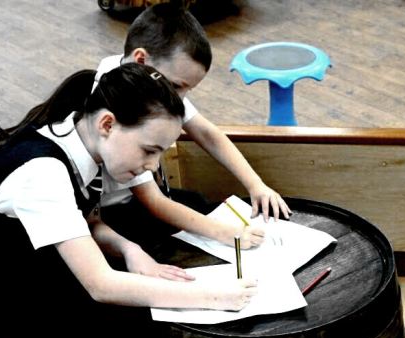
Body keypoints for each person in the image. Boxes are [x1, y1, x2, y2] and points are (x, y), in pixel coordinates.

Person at [0, 62, 257, 338]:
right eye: (149, 151)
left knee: (135, 312)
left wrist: (129, 249)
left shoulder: (77, 136)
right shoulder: (43, 171)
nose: (152, 166)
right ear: (108, 123)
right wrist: (215, 297)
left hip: (11, 273)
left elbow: (87, 221)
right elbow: (101, 285)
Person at [93, 2, 291, 251]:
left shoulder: (146, 81)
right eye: (177, 86)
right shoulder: (124, 101)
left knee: (198, 202)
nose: (180, 99)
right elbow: (151, 200)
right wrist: (225, 233)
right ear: (141, 59)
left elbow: (207, 133)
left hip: (144, 197)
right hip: (115, 215)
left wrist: (255, 184)